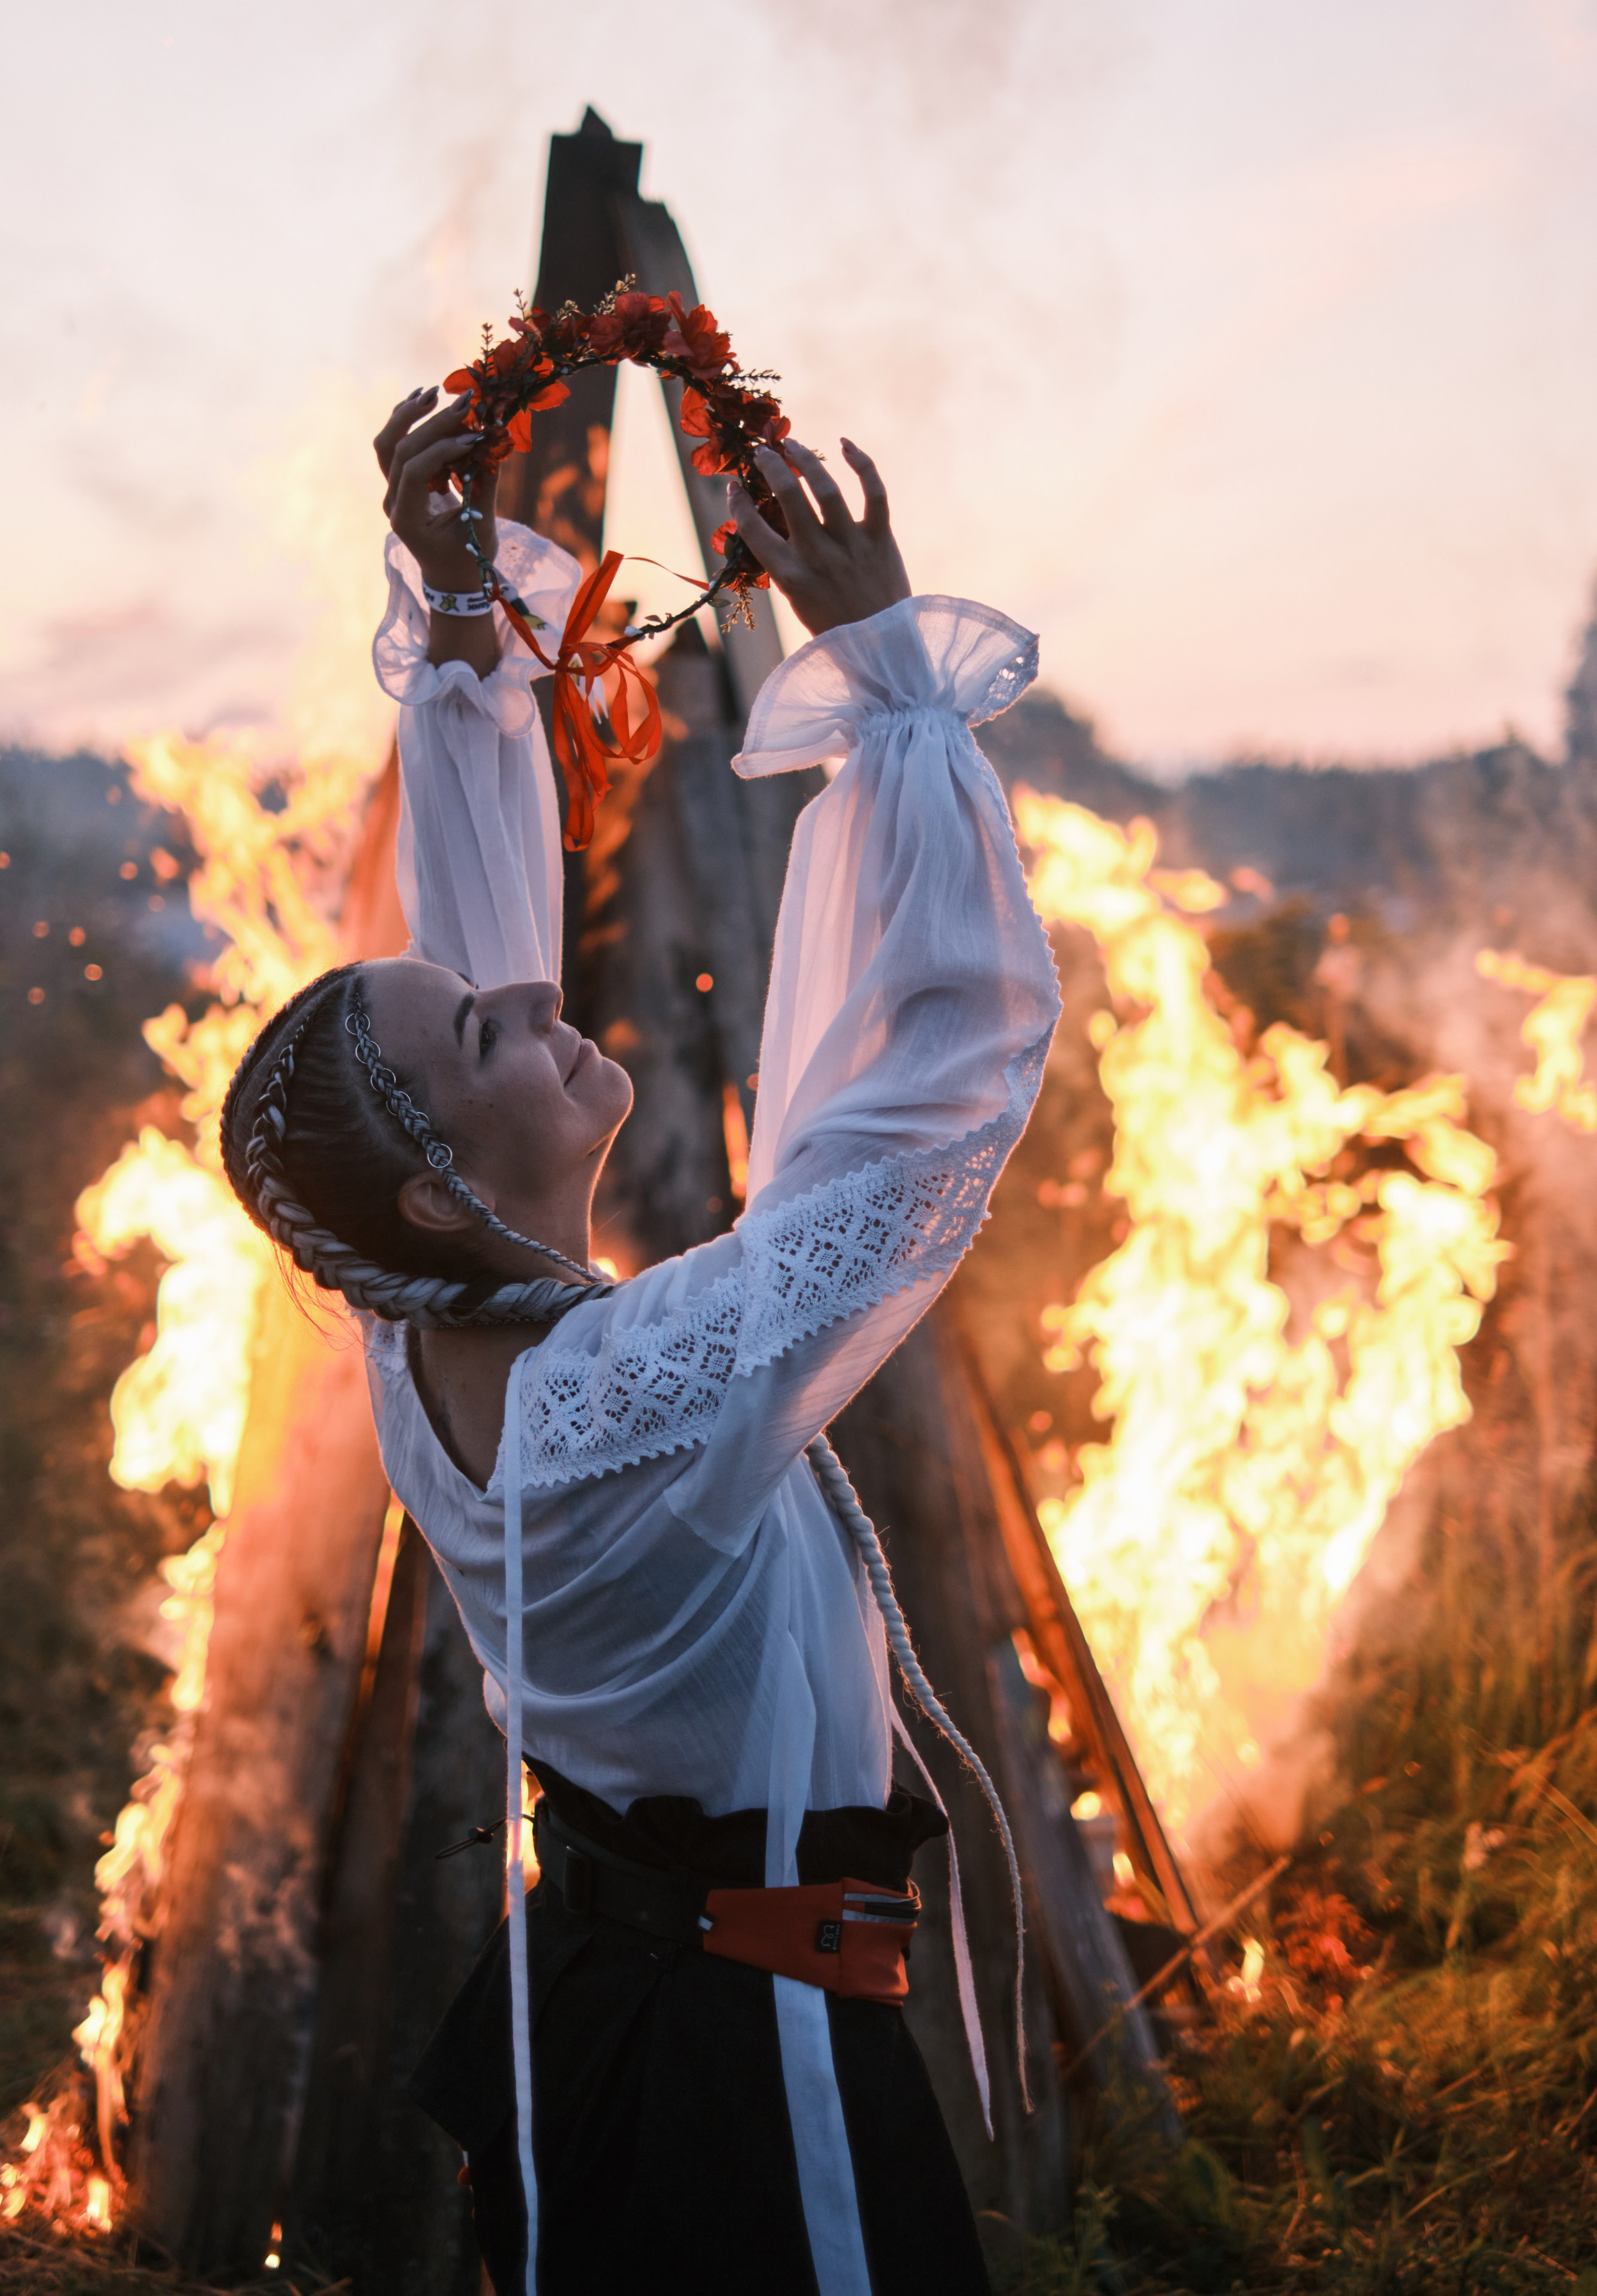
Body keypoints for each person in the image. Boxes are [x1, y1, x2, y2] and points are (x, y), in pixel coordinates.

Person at [220, 385, 1060, 2296]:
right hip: (737, 2072)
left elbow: (478, 937)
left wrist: (460, 643)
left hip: (627, 1992)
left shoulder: (419, 1312)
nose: (534, 994)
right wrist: (894, 690)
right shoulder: (619, 1406)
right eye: (486, 1031)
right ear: (442, 1181)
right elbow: (926, 1104)